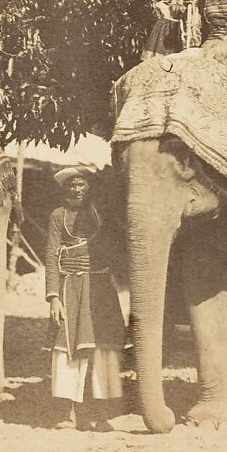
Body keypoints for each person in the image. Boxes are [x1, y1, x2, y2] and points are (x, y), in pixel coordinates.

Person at [45, 167, 127, 431]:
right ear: (64, 189)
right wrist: (54, 297)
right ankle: (69, 414)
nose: (77, 189)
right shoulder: (58, 216)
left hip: (100, 287)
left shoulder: (102, 216)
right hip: (71, 287)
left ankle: (100, 415)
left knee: (102, 348)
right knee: (69, 349)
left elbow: (116, 248)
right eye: (71, 185)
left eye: (81, 184)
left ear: (89, 187)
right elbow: (50, 257)